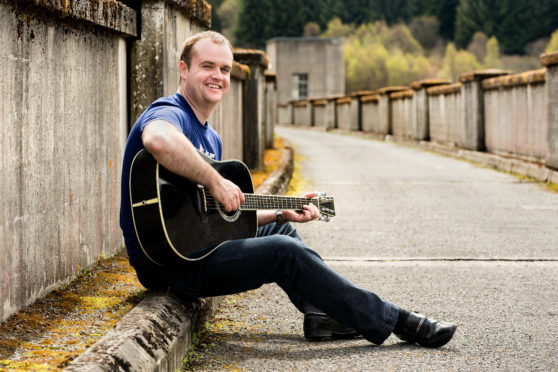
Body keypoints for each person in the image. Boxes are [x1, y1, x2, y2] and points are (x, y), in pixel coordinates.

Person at [119, 30, 457, 348]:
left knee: (282, 227)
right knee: (283, 250)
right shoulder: (169, 112)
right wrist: (215, 179)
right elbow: (158, 140)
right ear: (184, 69)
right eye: (207, 66)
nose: (218, 76)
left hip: (193, 250)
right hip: (166, 264)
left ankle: (322, 315)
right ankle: (393, 319)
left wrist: (280, 211)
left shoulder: (211, 138)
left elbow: (216, 224)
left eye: (224, 69)